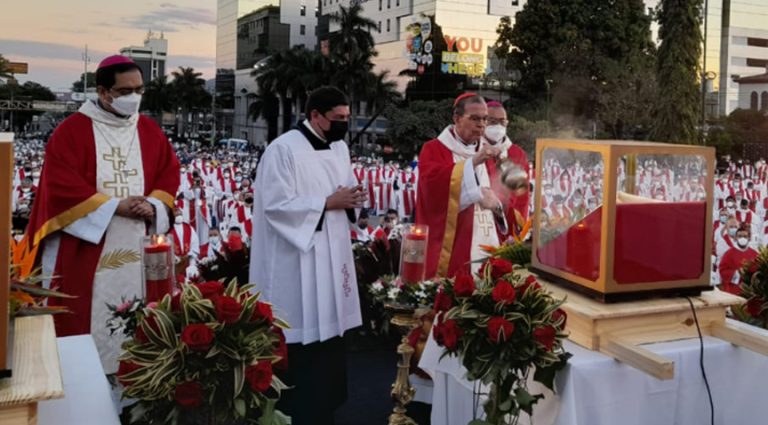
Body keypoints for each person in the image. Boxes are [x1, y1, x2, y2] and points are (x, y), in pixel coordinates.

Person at [25, 55, 180, 373]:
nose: (134, 97)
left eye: (139, 89)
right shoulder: (72, 132)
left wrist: (153, 206)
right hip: (88, 250)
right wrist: (115, 206)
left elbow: (168, 173)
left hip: (139, 249)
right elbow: (60, 187)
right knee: (85, 347)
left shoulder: (149, 130)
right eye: (125, 91)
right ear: (103, 91)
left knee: (141, 340)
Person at [249, 86, 365, 425]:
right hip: (295, 260)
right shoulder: (282, 150)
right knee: (300, 334)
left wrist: (354, 197)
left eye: (347, 117)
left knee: (330, 331)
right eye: (338, 118)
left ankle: (327, 403)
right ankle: (294, 409)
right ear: (315, 115)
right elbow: (274, 206)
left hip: (332, 255)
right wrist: (327, 204)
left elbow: (346, 189)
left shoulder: (340, 147)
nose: (344, 124)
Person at [415, 93, 504, 278]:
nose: (481, 124)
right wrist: (473, 163)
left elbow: (496, 195)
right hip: (453, 246)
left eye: (485, 119)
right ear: (457, 118)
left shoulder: (487, 152)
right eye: (474, 118)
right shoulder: (434, 149)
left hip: (487, 241)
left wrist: (497, 205)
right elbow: (432, 195)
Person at [482, 101, 530, 224]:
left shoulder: (516, 153)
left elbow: (522, 194)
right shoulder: (473, 149)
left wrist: (518, 222)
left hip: (509, 217)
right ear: (483, 121)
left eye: (502, 122)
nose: (498, 126)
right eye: (492, 121)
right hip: (481, 217)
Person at [718, 225, 758, 295]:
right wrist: (737, 273)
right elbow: (722, 270)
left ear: (749, 238)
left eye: (745, 236)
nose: (742, 238)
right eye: (740, 236)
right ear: (735, 238)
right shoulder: (728, 254)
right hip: (734, 290)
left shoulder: (754, 254)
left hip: (750, 290)